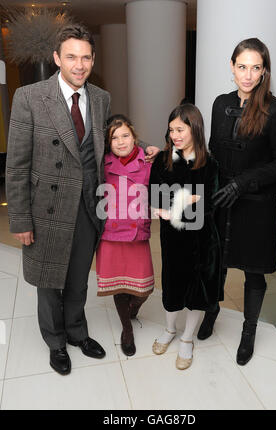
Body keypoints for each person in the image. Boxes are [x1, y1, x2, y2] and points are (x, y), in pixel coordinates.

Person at [5, 24, 159, 375]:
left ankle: (77, 331)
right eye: (71, 56)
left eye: (85, 57)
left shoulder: (101, 98)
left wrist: (144, 146)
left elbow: (113, 141)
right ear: (57, 58)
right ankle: (56, 341)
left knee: (77, 279)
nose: (79, 64)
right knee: (48, 281)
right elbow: (16, 166)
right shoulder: (29, 97)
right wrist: (21, 220)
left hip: (90, 207)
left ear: (93, 59)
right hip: (46, 209)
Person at [203, 38, 276, 366]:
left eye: (256, 67)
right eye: (242, 66)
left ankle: (249, 331)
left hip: (256, 203)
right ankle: (211, 312)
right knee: (217, 265)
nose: (248, 74)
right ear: (232, 66)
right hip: (222, 200)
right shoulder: (219, 103)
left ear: (264, 71)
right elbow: (213, 148)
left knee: (254, 272)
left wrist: (243, 182)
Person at [149, 104, 223, 370]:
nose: (174, 135)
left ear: (195, 128)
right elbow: (156, 199)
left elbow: (211, 203)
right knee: (171, 286)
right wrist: (186, 199)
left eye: (180, 129)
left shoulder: (210, 163)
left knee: (196, 291)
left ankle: (187, 339)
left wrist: (177, 201)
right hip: (172, 240)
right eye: (171, 130)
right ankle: (169, 330)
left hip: (202, 240)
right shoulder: (163, 160)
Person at [96, 114, 154, 356]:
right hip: (110, 234)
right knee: (119, 285)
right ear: (107, 143)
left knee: (145, 288)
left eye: (125, 136)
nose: (120, 142)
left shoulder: (150, 161)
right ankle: (126, 329)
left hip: (137, 233)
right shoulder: (102, 164)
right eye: (114, 138)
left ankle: (132, 309)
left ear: (135, 138)